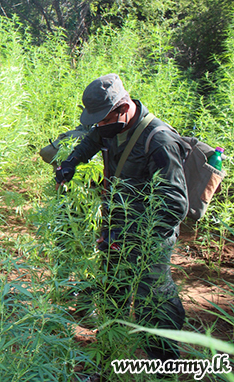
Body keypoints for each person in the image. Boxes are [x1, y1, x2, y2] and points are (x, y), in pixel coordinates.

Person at [55, 74, 187, 366]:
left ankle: (163, 366)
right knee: (111, 290)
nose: (99, 126)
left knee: (151, 299)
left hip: (150, 235)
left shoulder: (159, 140)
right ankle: (108, 362)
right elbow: (92, 140)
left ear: (123, 108)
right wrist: (70, 163)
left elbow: (174, 205)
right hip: (115, 227)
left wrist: (132, 233)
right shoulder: (110, 127)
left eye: (103, 120)